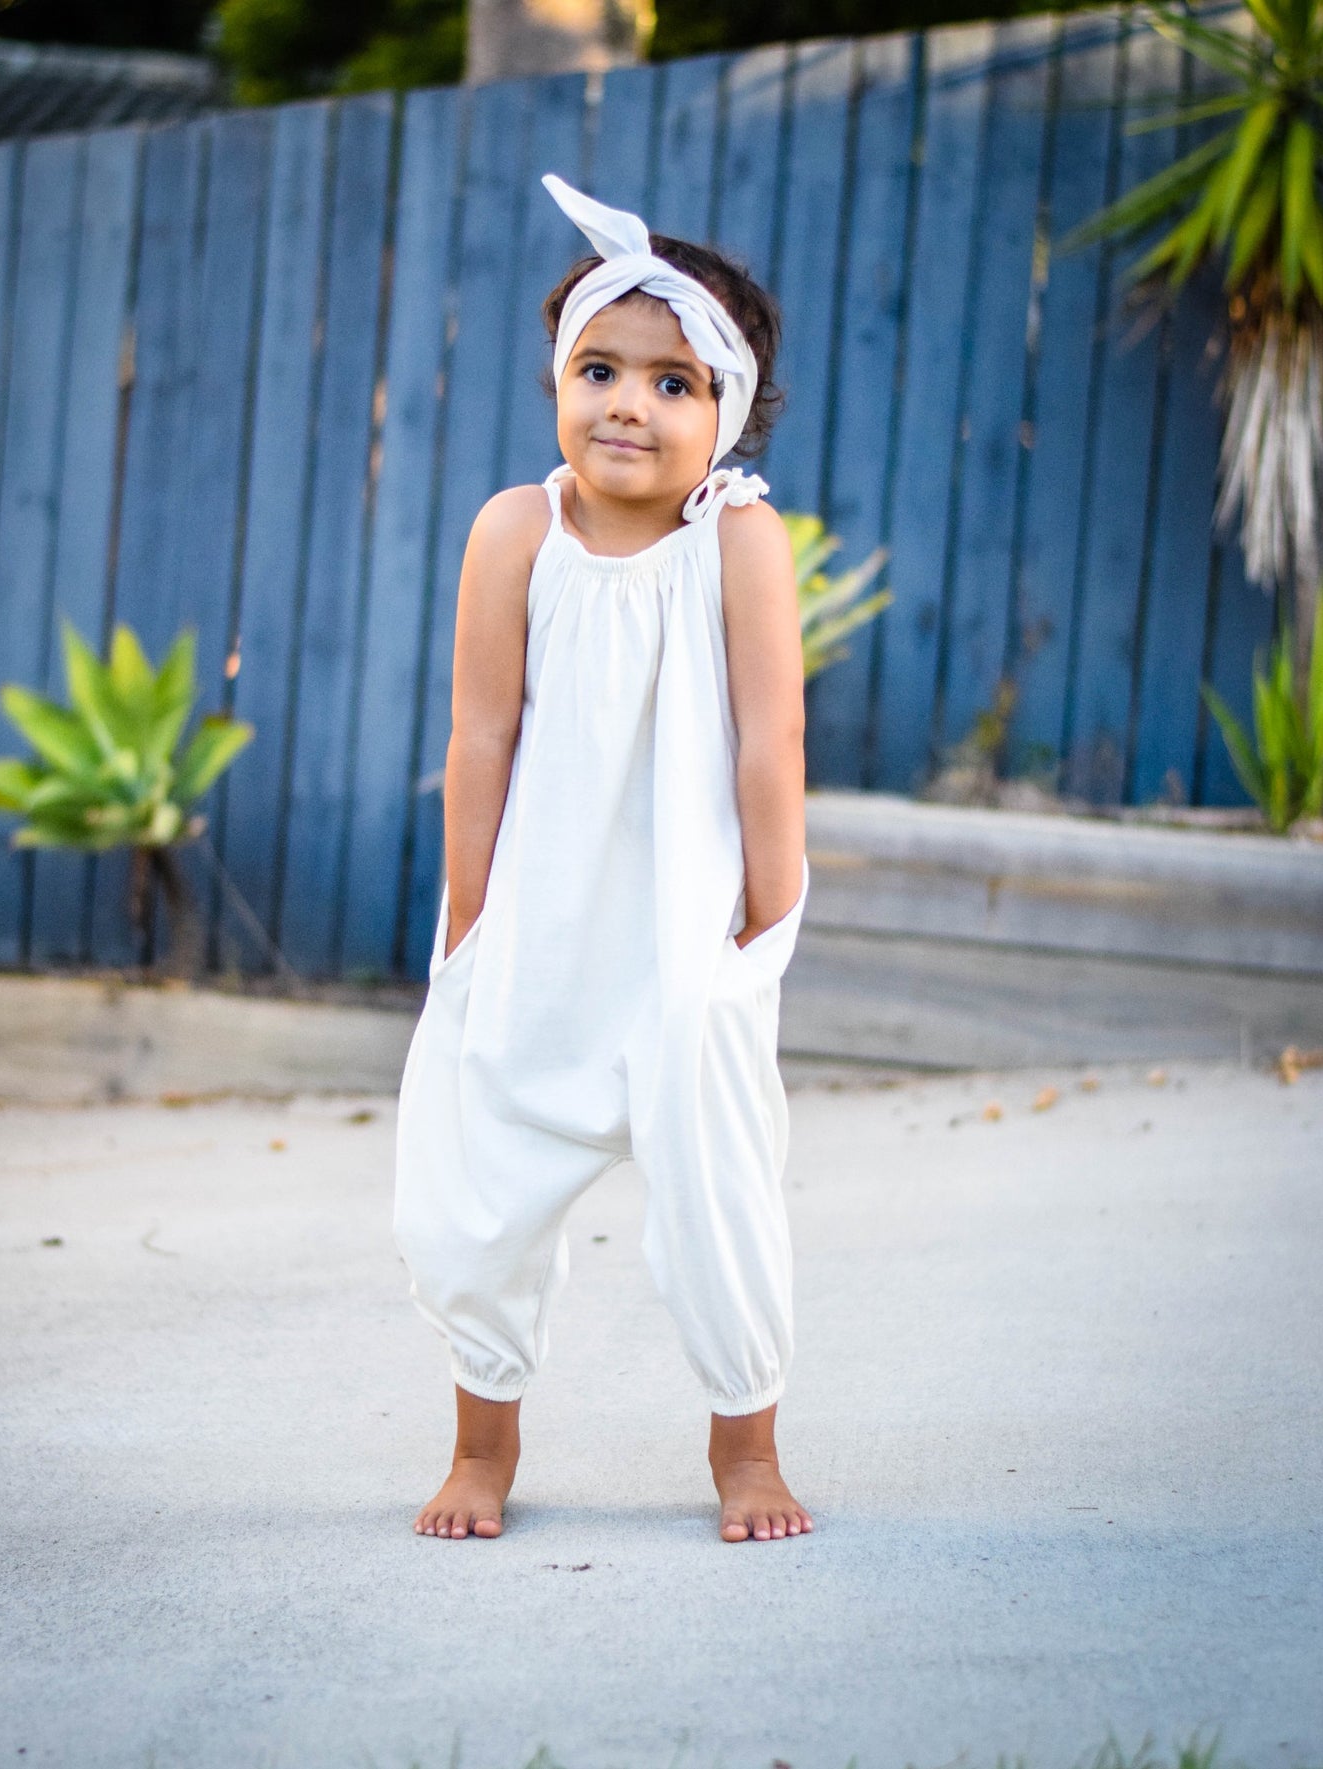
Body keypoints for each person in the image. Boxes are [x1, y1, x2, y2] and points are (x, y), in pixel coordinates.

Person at [393, 172, 813, 1546]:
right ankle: (481, 1447)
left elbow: (769, 739)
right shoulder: (516, 530)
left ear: (728, 410)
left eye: (672, 382)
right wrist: (468, 918)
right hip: (538, 916)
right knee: (482, 1185)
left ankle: (745, 1450)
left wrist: (766, 918)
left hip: (689, 929)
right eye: (599, 370)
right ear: (558, 382)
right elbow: (480, 733)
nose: (628, 403)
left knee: (719, 1186)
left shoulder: (737, 542)